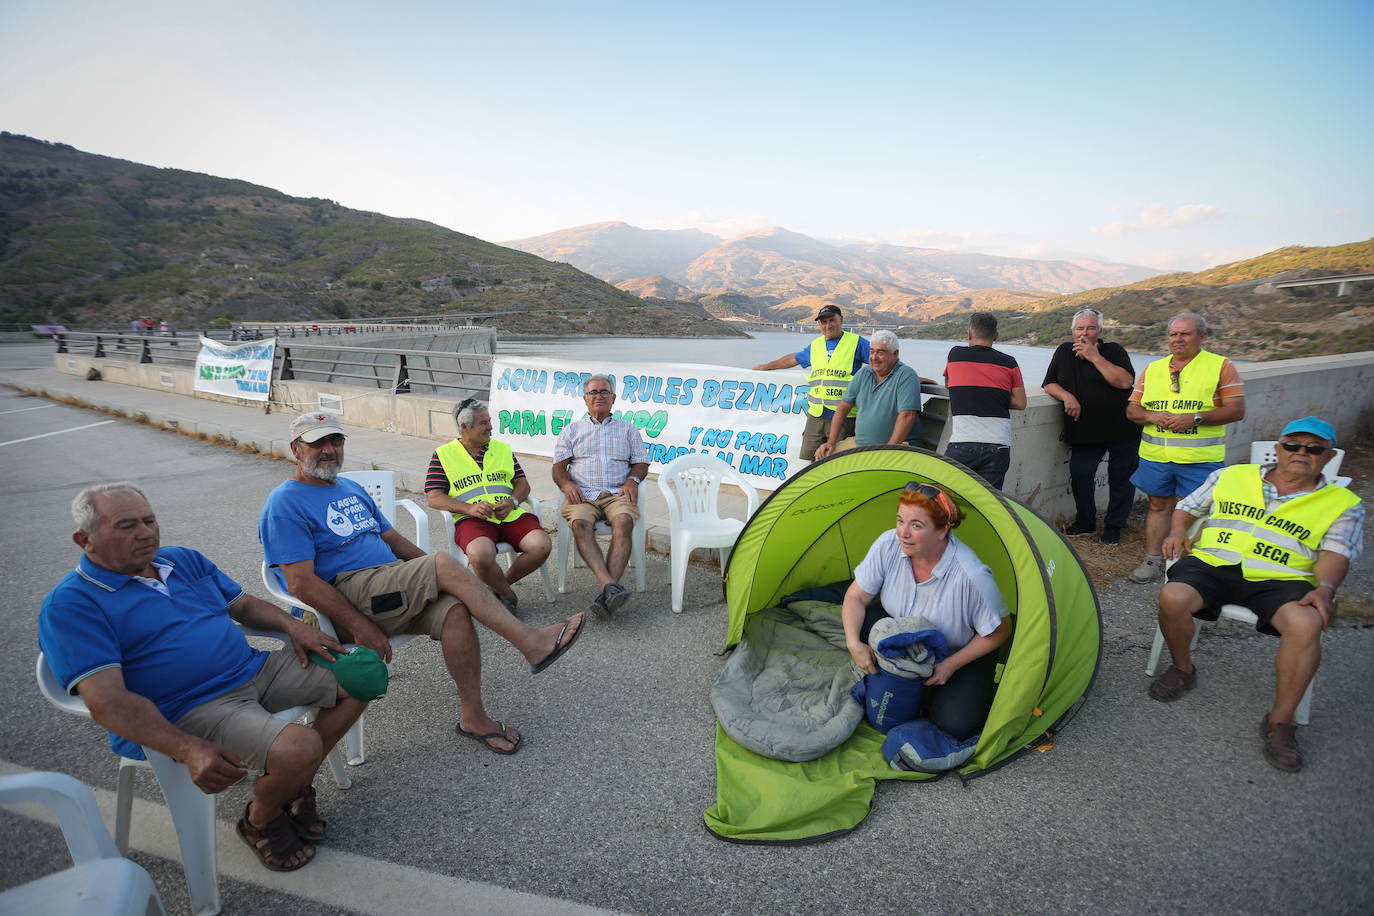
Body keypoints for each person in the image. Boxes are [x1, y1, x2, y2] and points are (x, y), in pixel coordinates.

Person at [39, 483, 368, 872]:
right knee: (298, 747)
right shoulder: (72, 604)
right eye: (126, 526)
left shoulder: (182, 560)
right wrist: (186, 748)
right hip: (190, 707)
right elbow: (107, 702)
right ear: (85, 539)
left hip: (253, 670)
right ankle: (261, 818)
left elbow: (243, 605)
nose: (146, 533)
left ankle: (291, 784)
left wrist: (294, 627)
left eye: (149, 520)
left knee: (364, 672)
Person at [260, 412, 585, 756]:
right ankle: (531, 642)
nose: (329, 450)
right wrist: (360, 627)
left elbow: (395, 541)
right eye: (318, 444)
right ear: (297, 450)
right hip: (344, 599)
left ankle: (474, 718)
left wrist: (435, 578)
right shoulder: (285, 503)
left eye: (335, 441)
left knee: (455, 610)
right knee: (444, 563)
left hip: (385, 589)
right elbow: (300, 584)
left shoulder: (350, 488)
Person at [1149, 417, 1361, 772]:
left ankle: (1281, 723)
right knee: (1172, 597)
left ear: (1327, 457)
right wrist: (1177, 529)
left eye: (1313, 449)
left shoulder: (1342, 503)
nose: (1301, 454)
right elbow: (1189, 505)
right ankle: (1183, 668)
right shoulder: (1231, 476)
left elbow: (1335, 554)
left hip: (1282, 576)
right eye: (1292, 445)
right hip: (1214, 562)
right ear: (1277, 449)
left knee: (1307, 624)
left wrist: (1325, 589)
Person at [842, 482, 1012, 740]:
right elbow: (856, 596)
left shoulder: (970, 575)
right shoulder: (888, 544)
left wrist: (950, 665)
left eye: (916, 525)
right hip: (903, 633)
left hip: (956, 650)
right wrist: (853, 643)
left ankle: (932, 690)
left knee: (957, 724)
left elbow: (1001, 630)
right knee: (863, 623)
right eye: (900, 521)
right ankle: (910, 685)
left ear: (943, 529)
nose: (903, 533)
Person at [1125, 313, 1245, 583]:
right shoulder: (1153, 369)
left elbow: (1237, 410)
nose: (1177, 339)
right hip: (1156, 456)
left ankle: (1194, 567)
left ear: (1202, 337)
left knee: (1198, 510)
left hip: (1200, 458)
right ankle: (1152, 560)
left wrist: (1196, 418)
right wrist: (1152, 417)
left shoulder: (1221, 366)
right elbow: (1132, 410)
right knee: (1158, 505)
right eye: (1173, 334)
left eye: (1185, 334)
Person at [425, 398, 551, 616]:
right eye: (484, 423)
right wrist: (468, 509)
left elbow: (522, 483)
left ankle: (497, 587)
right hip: (472, 519)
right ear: (465, 427)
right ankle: (508, 594)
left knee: (541, 545)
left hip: (510, 515)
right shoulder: (443, 454)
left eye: (489, 421)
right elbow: (434, 497)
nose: (490, 427)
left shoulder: (502, 449)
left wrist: (512, 502)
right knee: (480, 555)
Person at [552, 374, 649, 619]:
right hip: (583, 494)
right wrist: (566, 484)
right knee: (580, 524)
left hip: (617, 492)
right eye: (593, 392)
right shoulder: (572, 430)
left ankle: (606, 592)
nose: (599, 396)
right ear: (585, 399)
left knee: (624, 521)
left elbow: (641, 464)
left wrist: (632, 479)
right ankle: (609, 587)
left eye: (604, 392)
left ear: (613, 398)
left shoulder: (628, 429)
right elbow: (558, 469)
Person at [1041, 309, 1140, 544]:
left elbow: (1125, 381)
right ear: (1072, 331)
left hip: (1122, 428)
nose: (1084, 333)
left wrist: (1095, 357)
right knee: (1081, 474)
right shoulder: (1064, 352)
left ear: (1100, 330)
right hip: (1085, 429)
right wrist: (1066, 396)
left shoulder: (1113, 351)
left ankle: (1114, 526)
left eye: (1091, 328)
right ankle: (1085, 522)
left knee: (1121, 478)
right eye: (1080, 328)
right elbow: (1049, 383)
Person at [753, 304, 870, 460]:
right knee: (809, 460)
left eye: (831, 320)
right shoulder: (816, 345)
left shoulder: (857, 342)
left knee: (838, 462)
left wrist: (904, 378)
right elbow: (793, 359)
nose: (828, 325)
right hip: (816, 415)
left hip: (844, 417)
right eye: (823, 322)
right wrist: (765, 366)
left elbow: (882, 362)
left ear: (840, 320)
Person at [813, 330, 933, 459]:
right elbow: (843, 407)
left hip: (897, 447)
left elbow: (908, 415)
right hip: (861, 446)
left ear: (895, 354)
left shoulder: (906, 375)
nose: (874, 357)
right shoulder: (864, 373)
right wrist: (831, 442)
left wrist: (889, 451)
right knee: (823, 458)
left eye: (881, 352)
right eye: (872, 351)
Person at [941, 312, 1026, 489]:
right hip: (998, 445)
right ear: (996, 336)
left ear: (969, 334)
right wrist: (995, 396)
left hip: (963, 442)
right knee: (990, 504)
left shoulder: (955, 355)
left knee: (951, 497)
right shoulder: (1009, 362)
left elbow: (950, 385)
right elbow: (1020, 402)